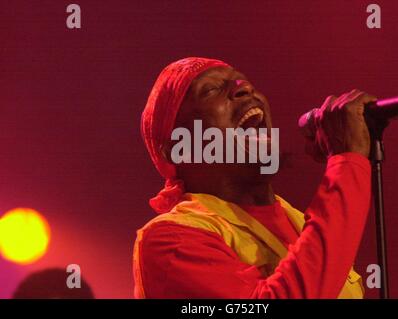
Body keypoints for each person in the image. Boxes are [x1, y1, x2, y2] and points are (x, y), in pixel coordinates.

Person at [133, 57, 375, 298]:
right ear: (177, 147)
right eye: (211, 89)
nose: (244, 87)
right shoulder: (170, 241)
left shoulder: (302, 223)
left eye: (243, 81)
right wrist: (347, 162)